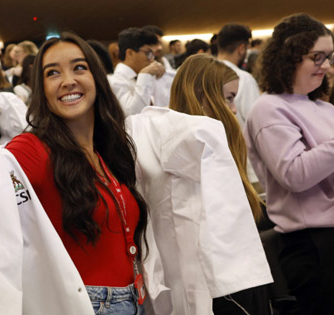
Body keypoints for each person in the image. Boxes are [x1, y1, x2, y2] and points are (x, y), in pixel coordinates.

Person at [0, 32, 169, 315]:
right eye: (53, 73)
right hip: (86, 305)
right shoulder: (31, 150)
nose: (68, 81)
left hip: (136, 300)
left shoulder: (109, 149)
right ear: (42, 87)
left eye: (79, 67)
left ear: (97, 78)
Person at [127, 54, 272, 314]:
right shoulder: (189, 144)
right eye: (228, 98)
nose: (235, 109)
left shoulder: (156, 139)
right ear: (203, 96)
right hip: (221, 288)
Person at [244, 13, 334, 314]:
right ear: (289, 57)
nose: (326, 66)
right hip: (313, 246)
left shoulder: (321, 106)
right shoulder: (269, 107)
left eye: (329, 57)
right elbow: (294, 174)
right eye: (316, 57)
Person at [109, 27, 166, 115]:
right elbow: (133, 114)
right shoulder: (114, 81)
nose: (151, 59)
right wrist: (144, 75)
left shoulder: (142, 76)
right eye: (148, 53)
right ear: (130, 53)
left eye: (153, 54)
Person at [216, 23, 259, 127]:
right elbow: (255, 122)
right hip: (236, 141)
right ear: (241, 49)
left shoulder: (202, 73)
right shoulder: (244, 79)